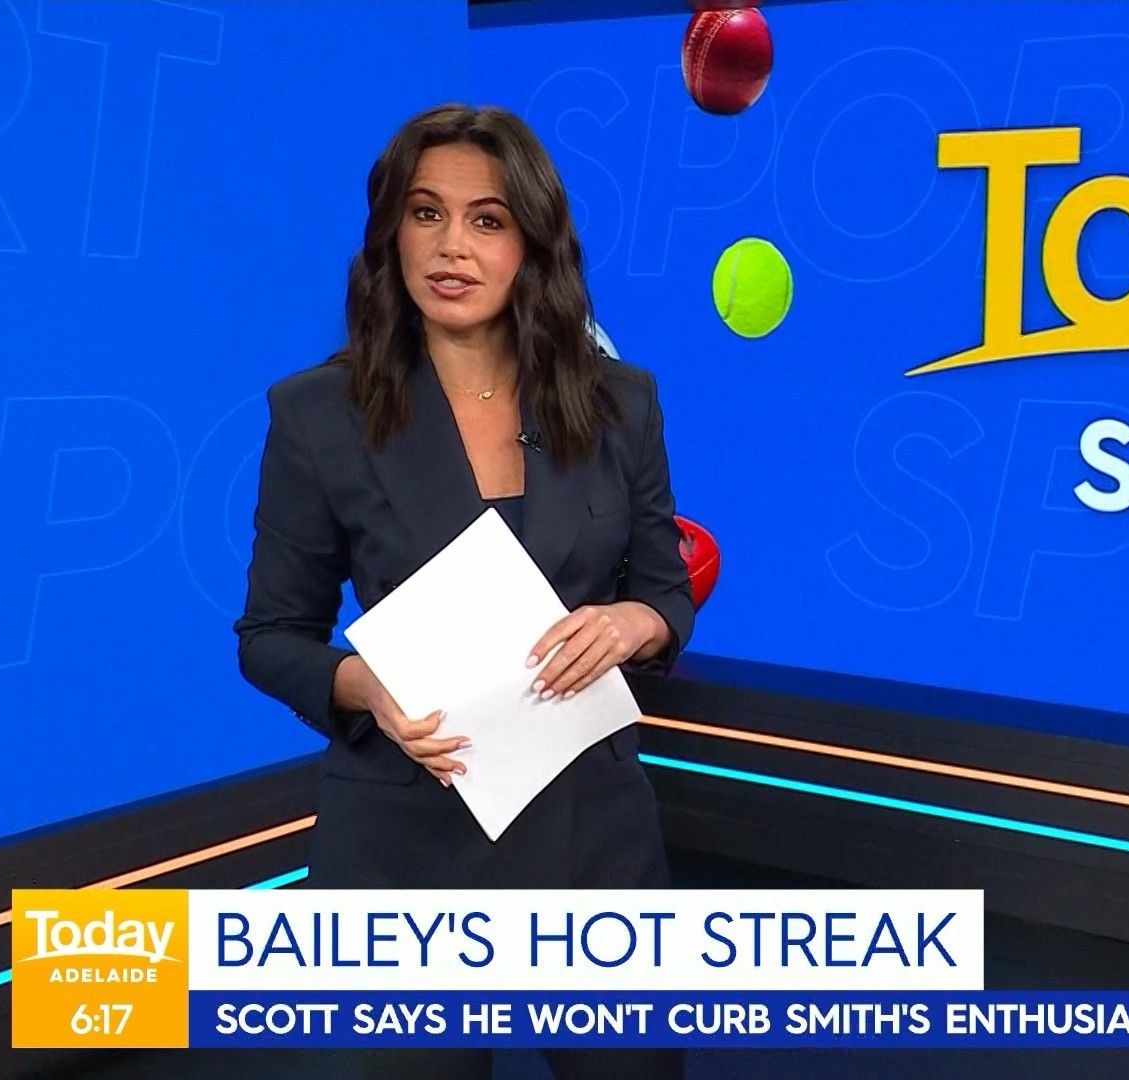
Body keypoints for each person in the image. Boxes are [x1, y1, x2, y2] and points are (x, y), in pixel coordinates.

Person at [232, 103, 692, 1080]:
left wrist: (632, 622)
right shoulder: (318, 415)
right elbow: (271, 635)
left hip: (591, 838)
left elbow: (665, 594)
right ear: (390, 232)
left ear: (532, 244)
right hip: (407, 841)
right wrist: (366, 689)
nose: (452, 246)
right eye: (425, 213)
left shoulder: (623, 404)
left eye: (487, 220)